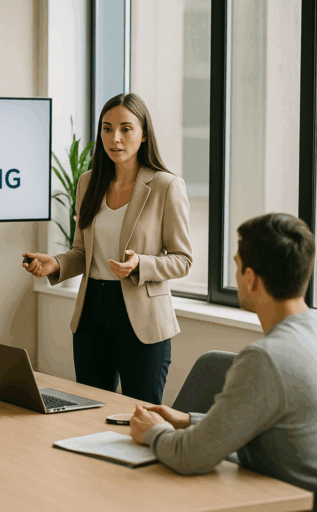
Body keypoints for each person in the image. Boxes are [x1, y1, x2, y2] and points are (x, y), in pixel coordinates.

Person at [130, 213, 317, 508]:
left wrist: (152, 431)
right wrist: (189, 420)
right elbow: (273, 420)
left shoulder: (264, 359)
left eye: (237, 267)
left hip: (278, 502)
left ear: (251, 279)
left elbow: (190, 456)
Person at [23, 93, 192, 404]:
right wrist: (55, 264)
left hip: (142, 317)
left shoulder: (166, 186)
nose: (115, 138)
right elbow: (81, 253)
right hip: (92, 312)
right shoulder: (88, 182)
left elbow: (183, 260)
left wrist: (140, 264)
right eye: (107, 128)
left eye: (126, 129)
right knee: (87, 411)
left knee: (138, 414)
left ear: (144, 135)